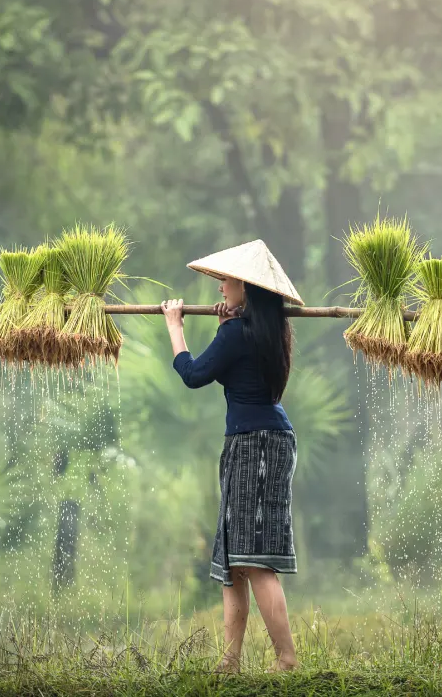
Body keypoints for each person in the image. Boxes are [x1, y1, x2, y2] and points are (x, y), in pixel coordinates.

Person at [160, 239, 304, 673]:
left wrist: (174, 325)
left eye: (226, 280)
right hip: (261, 440)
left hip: (255, 444)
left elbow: (194, 374)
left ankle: (287, 659)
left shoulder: (238, 333)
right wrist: (227, 325)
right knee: (234, 558)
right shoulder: (266, 331)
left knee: (253, 559)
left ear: (246, 286)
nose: (220, 287)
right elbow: (233, 359)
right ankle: (230, 660)